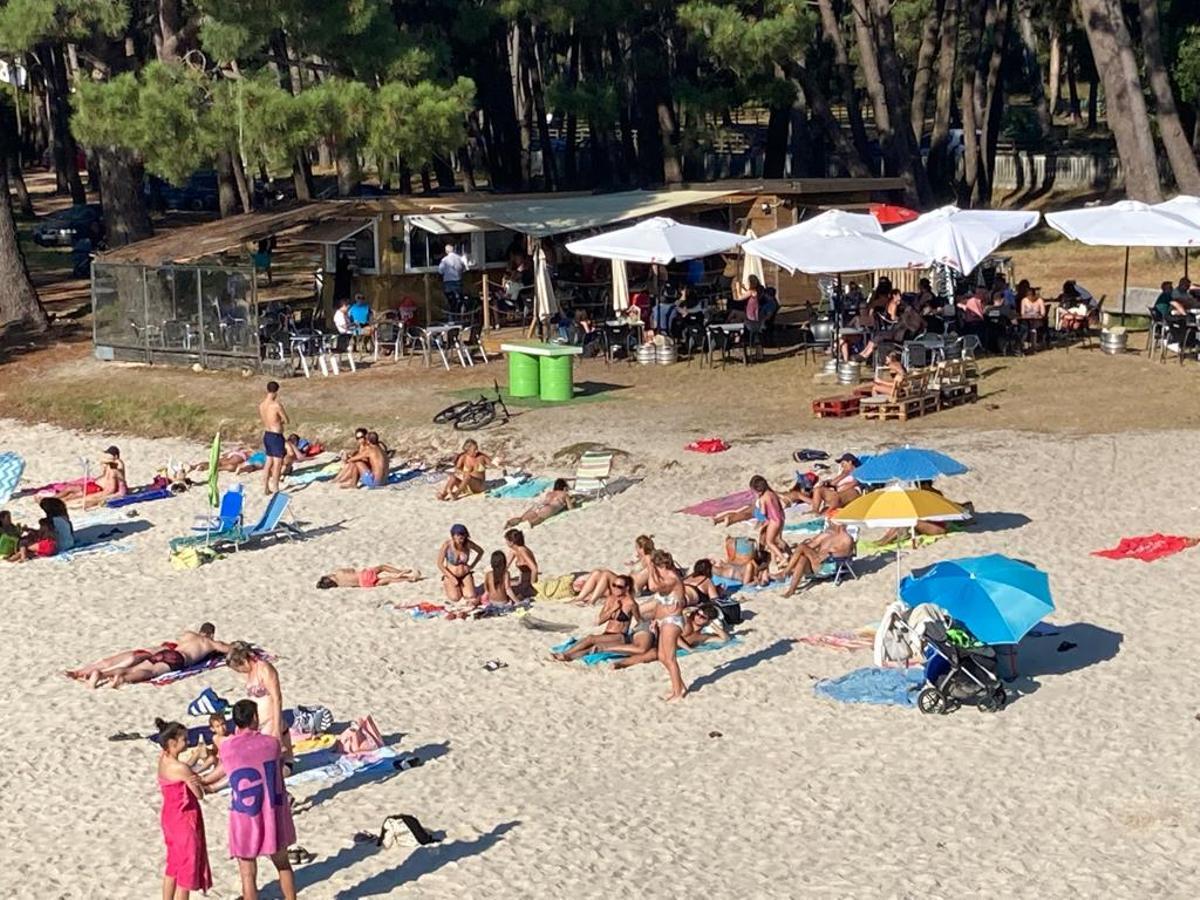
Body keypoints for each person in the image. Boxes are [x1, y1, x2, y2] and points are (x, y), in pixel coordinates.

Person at [210, 700, 297, 900]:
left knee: (247, 874)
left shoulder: (228, 747)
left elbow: (224, 769)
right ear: (255, 718)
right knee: (283, 864)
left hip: (245, 814)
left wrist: (205, 783)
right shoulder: (271, 744)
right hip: (271, 812)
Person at [66, 623, 231, 689]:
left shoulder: (189, 634)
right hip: (178, 659)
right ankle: (107, 676)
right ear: (211, 634)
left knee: (139, 664)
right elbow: (228, 649)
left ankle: (100, 673)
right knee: (149, 673)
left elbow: (178, 640)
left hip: (169, 651)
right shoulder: (210, 643)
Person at [154, 719, 212, 899]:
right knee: (186, 873)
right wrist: (207, 763)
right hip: (184, 820)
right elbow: (199, 794)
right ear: (172, 743)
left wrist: (195, 757)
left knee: (173, 865)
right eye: (184, 740)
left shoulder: (163, 759)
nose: (187, 742)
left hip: (169, 818)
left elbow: (186, 768)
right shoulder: (181, 768)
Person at [226, 643, 292, 775]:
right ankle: (210, 782)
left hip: (271, 722)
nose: (240, 672)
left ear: (244, 661)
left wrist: (277, 729)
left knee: (258, 767)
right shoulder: (251, 672)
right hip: (257, 724)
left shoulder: (265, 669)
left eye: (238, 669)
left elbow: (277, 698)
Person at [551, 575, 639, 660]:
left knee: (590, 638)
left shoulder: (631, 604)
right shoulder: (610, 599)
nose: (615, 588)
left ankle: (565, 654)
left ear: (627, 588)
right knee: (592, 646)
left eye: (619, 586)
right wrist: (613, 609)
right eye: (614, 585)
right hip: (607, 633)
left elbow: (640, 620)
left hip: (620, 637)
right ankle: (569, 657)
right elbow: (600, 621)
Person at [645, 549, 688, 701]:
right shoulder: (663, 576)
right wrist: (655, 619)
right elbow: (659, 602)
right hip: (664, 620)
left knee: (670, 658)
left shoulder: (671, 577)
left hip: (673, 620)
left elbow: (652, 587)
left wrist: (650, 570)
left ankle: (677, 692)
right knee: (662, 656)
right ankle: (679, 685)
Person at [781, 522, 855, 597]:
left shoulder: (846, 538)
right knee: (802, 558)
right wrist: (810, 543)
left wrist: (829, 555)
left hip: (827, 566)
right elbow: (810, 545)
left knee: (802, 547)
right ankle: (792, 589)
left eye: (832, 522)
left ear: (840, 525)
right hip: (815, 563)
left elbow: (847, 553)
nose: (830, 523)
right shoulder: (826, 535)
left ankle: (785, 572)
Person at [437, 523, 483, 602]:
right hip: (451, 575)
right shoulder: (447, 545)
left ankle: (463, 586)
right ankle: (448, 583)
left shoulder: (467, 544)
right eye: (458, 535)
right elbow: (439, 563)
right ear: (453, 536)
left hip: (465, 574)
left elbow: (480, 551)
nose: (460, 538)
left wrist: (472, 565)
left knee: (470, 596)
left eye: (462, 535)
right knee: (455, 598)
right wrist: (452, 577)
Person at [504, 478, 573, 529]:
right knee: (540, 518)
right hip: (549, 507)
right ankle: (526, 526)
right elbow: (570, 508)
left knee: (522, 519)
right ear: (564, 487)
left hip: (539, 506)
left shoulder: (549, 493)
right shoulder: (564, 494)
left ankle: (509, 523)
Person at [750, 475, 788, 564]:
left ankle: (782, 558)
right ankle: (789, 554)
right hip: (781, 518)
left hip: (774, 521)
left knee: (769, 542)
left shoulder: (763, 498)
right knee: (779, 539)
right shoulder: (772, 493)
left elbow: (763, 512)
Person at [258, 381, 288, 495]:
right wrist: (280, 421)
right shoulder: (276, 405)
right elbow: (286, 419)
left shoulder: (262, 405)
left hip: (267, 434)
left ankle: (265, 487)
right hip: (276, 435)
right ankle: (275, 486)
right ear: (276, 392)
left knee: (268, 462)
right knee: (277, 463)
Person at [316, 565, 421, 589]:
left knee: (388, 580)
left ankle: (410, 579)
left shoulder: (340, 585)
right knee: (382, 567)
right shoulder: (339, 573)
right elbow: (352, 570)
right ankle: (400, 572)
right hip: (363, 575)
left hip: (364, 584)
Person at [505, 528, 539, 600]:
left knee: (510, 596)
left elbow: (534, 569)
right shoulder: (514, 550)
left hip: (528, 583)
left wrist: (532, 584)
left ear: (512, 542)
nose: (506, 542)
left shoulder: (522, 550)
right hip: (522, 581)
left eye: (507, 540)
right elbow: (506, 566)